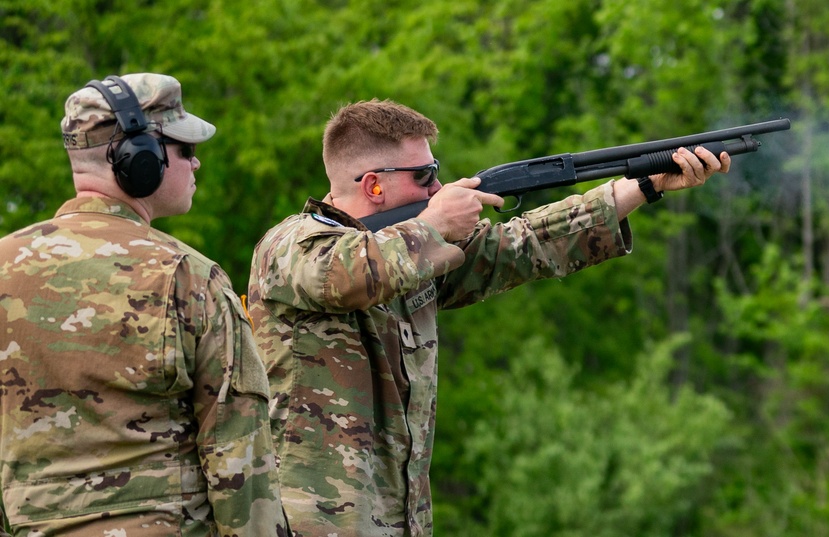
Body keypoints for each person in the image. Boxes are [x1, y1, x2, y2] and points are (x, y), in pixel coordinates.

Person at [246, 98, 730, 536]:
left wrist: (642, 186)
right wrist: (433, 224)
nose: (438, 186)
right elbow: (348, 275)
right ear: (373, 184)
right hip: (312, 521)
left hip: (398, 518)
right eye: (424, 176)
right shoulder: (292, 245)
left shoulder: (414, 252)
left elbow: (524, 243)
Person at [0, 73, 288, 536]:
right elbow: (240, 462)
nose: (195, 164)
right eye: (185, 150)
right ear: (140, 159)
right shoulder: (188, 277)